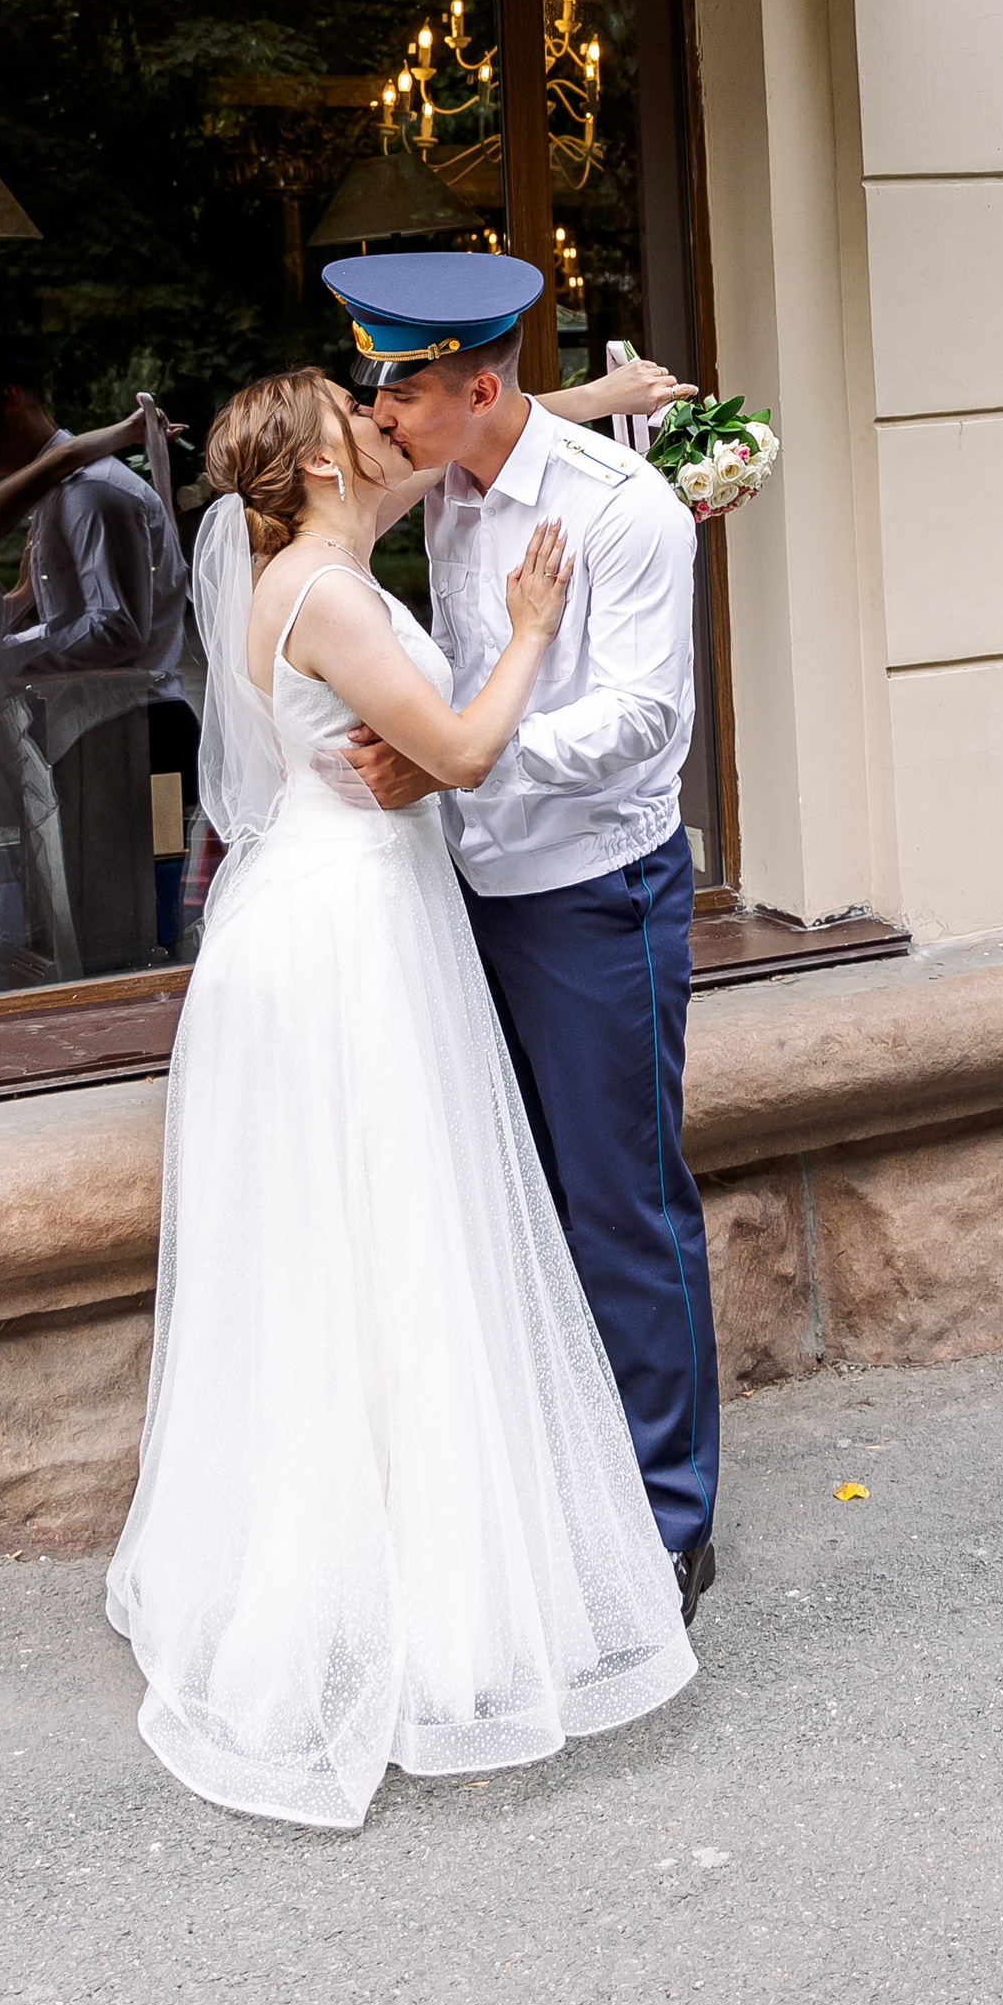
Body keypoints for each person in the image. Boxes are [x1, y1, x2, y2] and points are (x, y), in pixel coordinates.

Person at [106, 367, 696, 1827]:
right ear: (314, 459)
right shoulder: (328, 592)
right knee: (392, 1237)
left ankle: (428, 1534)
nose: (385, 419)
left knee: (368, 1242)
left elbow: (466, 422)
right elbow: (466, 751)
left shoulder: (305, 555)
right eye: (354, 409)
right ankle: (404, 1577)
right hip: (353, 933)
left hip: (348, 909)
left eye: (396, 399)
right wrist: (536, 633)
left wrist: (599, 388)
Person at [324, 250, 719, 1632]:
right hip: (458, 896)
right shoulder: (441, 477)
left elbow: (643, 724)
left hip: (592, 892)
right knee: (507, 1203)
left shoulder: (628, 512)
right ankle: (557, 1493)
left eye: (404, 388)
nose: (382, 413)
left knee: (620, 1203)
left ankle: (670, 1521)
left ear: (476, 385)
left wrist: (460, 763)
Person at [0, 360, 190, 977]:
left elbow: (115, 629)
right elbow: (77, 619)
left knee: (124, 922)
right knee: (103, 911)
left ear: (8, 396)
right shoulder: (67, 489)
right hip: (99, 724)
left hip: (127, 725)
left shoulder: (91, 491)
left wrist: (3, 661)